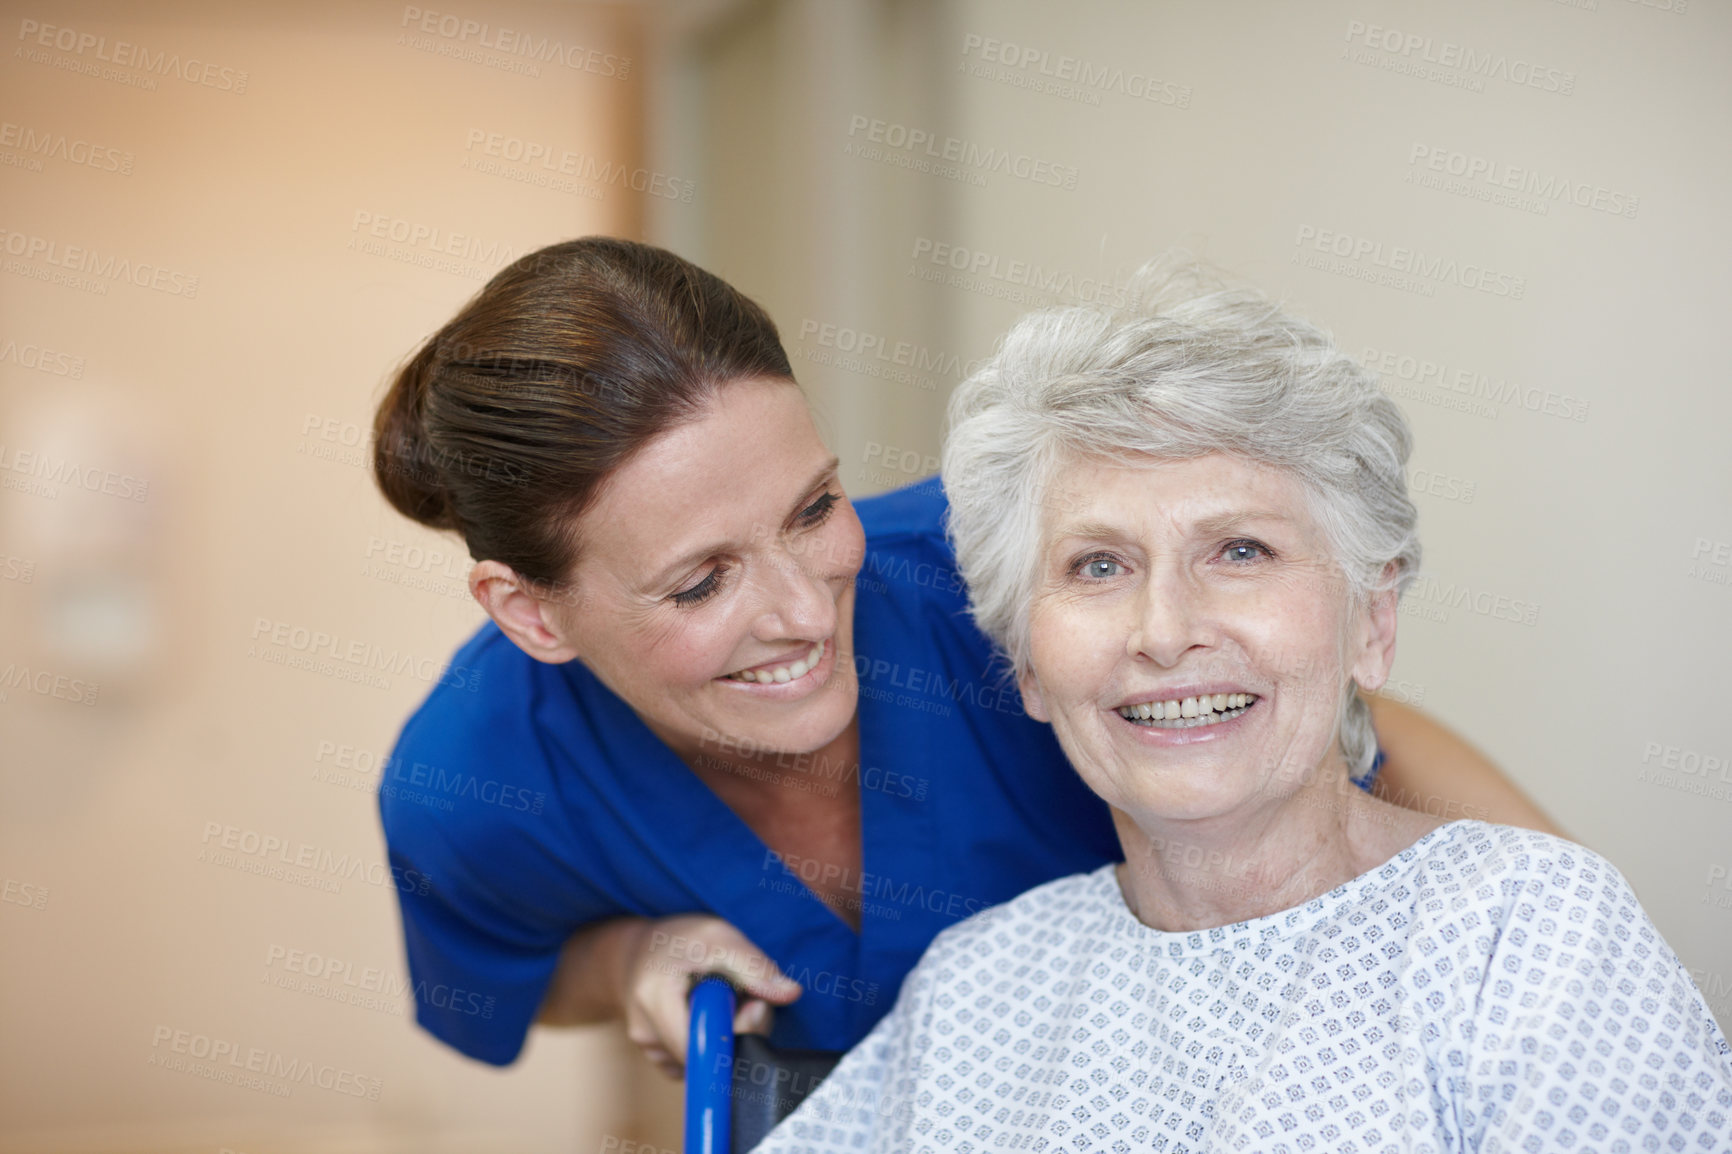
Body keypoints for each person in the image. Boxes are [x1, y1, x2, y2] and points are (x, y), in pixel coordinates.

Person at [370, 237, 1559, 1073]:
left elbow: (1335, 726)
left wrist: (1555, 924)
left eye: (809, 505)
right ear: (530, 612)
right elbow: (520, 976)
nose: (800, 608)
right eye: (701, 579)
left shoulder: (995, 580)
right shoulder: (472, 783)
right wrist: (633, 952)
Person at [754, 262, 1732, 1152]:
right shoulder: (975, 988)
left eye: (1241, 551)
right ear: (1028, 668)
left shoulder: (1524, 934)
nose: (1165, 629)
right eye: (1098, 564)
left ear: (1370, 622)